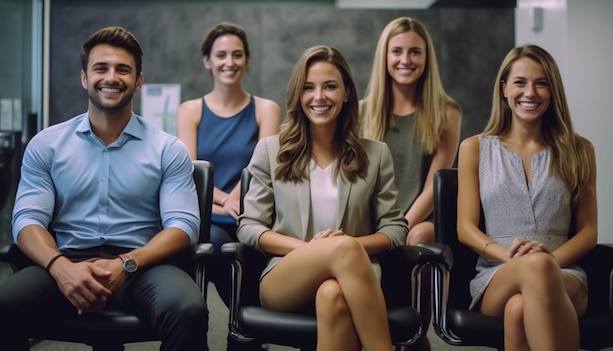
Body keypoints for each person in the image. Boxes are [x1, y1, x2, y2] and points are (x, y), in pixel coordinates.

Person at [0, 26, 209, 351]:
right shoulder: (47, 144)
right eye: (101, 68)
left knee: (187, 310)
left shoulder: (167, 149)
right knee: (4, 305)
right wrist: (60, 268)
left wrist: (127, 263)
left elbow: (183, 226)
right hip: (64, 261)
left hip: (142, 266)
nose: (111, 77)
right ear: (85, 77)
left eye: (123, 69)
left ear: (138, 81)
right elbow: (26, 220)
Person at [237, 45, 408, 351]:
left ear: (346, 93)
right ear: (298, 95)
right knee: (339, 248)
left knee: (332, 294)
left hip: (356, 279)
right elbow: (249, 227)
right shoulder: (271, 150)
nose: (319, 97)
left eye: (330, 86)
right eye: (308, 88)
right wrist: (316, 250)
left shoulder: (376, 154)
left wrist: (348, 247)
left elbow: (395, 229)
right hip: (286, 278)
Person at [456, 44, 597, 351]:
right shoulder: (475, 148)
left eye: (541, 83)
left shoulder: (580, 149)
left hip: (565, 273)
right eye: (520, 82)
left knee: (519, 309)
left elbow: (589, 232)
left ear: (553, 90)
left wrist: (546, 261)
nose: (530, 92)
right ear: (504, 88)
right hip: (498, 273)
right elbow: (465, 228)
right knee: (530, 276)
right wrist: (512, 258)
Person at [176, 21, 280, 351]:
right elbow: (191, 173)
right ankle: (244, 332)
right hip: (209, 213)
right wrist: (224, 202)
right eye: (220, 55)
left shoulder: (266, 109)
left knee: (253, 251)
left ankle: (244, 334)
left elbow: (260, 168)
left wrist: (238, 199)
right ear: (207, 60)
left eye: (237, 55)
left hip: (254, 211)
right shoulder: (190, 110)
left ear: (247, 61)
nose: (229, 62)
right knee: (220, 247)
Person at [360, 16, 461, 351]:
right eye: (397, 51)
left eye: (415, 52)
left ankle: (413, 335)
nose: (406, 60)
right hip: (375, 217)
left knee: (418, 236)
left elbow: (437, 182)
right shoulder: (362, 112)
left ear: (426, 58)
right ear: (384, 57)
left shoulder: (446, 112)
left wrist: (399, 226)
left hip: (420, 218)